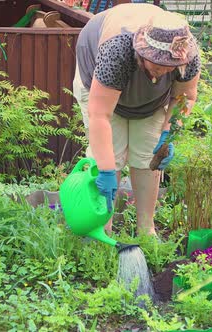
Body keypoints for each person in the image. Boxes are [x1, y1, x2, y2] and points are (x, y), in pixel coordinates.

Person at [72, 3, 200, 236]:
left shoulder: (186, 53)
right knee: (111, 153)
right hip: (99, 85)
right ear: (144, 53)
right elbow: (100, 115)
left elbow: (185, 97)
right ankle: (102, 228)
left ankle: (146, 228)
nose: (163, 71)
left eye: (169, 66)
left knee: (148, 151)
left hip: (150, 100)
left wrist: (169, 134)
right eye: (158, 64)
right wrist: (107, 171)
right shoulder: (117, 50)